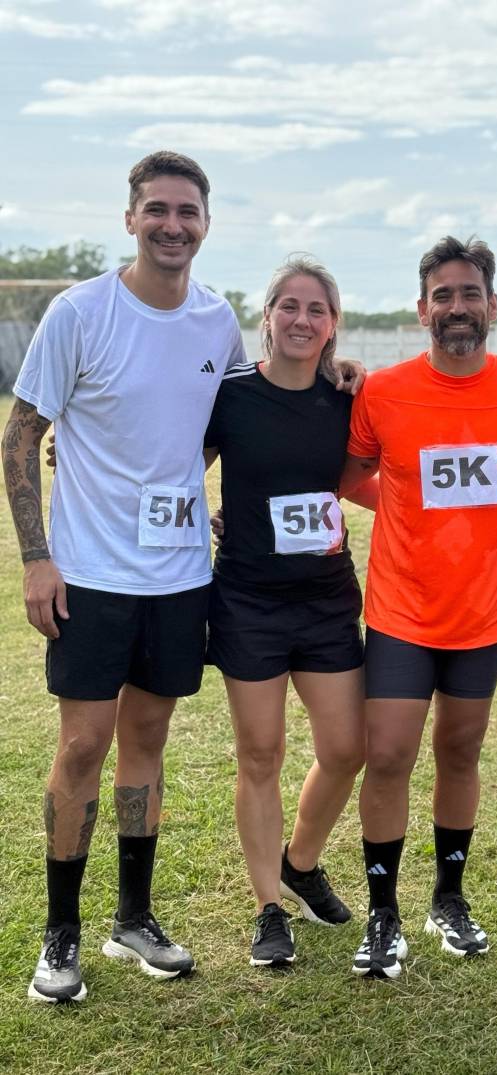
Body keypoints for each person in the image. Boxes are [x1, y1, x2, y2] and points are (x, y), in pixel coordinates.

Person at [2, 151, 241, 1002]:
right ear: (131, 217)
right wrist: (37, 557)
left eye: (187, 211)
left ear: (205, 223)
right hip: (90, 574)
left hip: (177, 577)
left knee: (148, 741)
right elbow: (20, 435)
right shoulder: (80, 312)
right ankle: (60, 931)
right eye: (157, 209)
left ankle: (132, 918)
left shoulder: (218, 321)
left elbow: (222, 428)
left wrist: (185, 485)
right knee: (82, 744)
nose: (172, 225)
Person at [337, 236, 497, 979]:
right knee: (389, 755)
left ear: (492, 305)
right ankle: (383, 912)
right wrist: (400, 506)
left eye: (469, 294)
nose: (456, 307)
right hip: (401, 612)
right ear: (421, 309)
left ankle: (449, 898)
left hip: (483, 615)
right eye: (443, 295)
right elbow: (349, 474)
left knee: (460, 752)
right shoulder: (383, 392)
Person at [204, 257, 377, 967]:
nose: (302, 320)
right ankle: (267, 907)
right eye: (289, 306)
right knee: (260, 753)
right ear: (267, 315)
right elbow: (170, 464)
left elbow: (381, 470)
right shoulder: (229, 394)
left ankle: (300, 863)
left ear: (333, 324)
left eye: (317, 309)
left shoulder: (348, 399)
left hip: (326, 599)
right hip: (248, 600)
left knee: (347, 749)